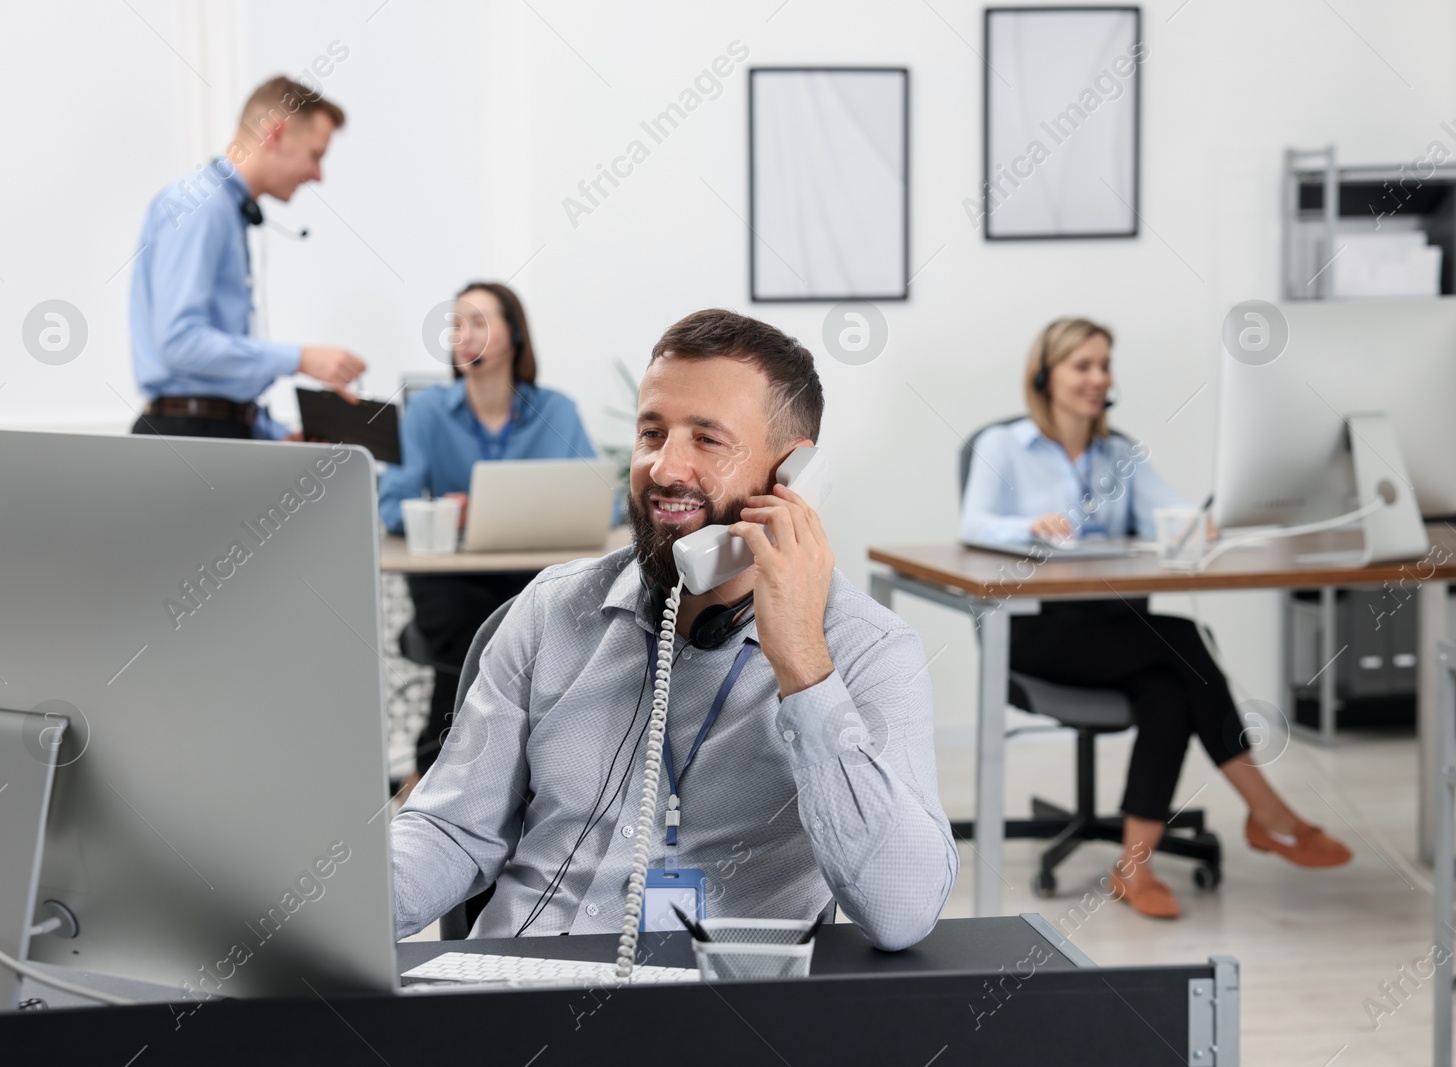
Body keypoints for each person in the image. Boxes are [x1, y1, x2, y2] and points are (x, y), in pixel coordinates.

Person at [390, 309, 958, 947]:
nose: (663, 469)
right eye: (652, 433)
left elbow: (903, 911)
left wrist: (802, 664)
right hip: (514, 993)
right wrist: (313, 919)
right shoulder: (552, 610)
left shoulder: (867, 651)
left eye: (707, 440)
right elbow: (451, 830)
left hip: (712, 1017)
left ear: (792, 477)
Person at [960, 317, 1351, 920]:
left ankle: (1133, 869)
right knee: (1185, 638)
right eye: (1083, 365)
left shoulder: (1119, 454)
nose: (1099, 378)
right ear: (1045, 375)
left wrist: (1215, 517)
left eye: (1105, 364)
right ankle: (1269, 813)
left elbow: (1172, 514)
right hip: (1036, 630)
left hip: (1119, 632)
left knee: (1170, 690)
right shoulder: (1003, 446)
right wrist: (1026, 528)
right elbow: (973, 525)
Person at [379, 282, 597, 787]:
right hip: (451, 578)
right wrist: (439, 511)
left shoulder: (557, 410)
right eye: (456, 324)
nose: (463, 334)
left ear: (515, 335)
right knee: (470, 638)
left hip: (532, 573)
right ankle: (442, 779)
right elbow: (391, 505)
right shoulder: (429, 412)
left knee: (547, 633)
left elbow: (600, 494)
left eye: (479, 321)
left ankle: (526, 783)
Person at [129, 76, 366, 441]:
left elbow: (214, 386)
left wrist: (275, 435)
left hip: (213, 431)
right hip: (188, 437)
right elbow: (179, 344)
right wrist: (300, 358)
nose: (318, 175)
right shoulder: (202, 205)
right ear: (275, 134)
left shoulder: (225, 210)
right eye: (315, 155)